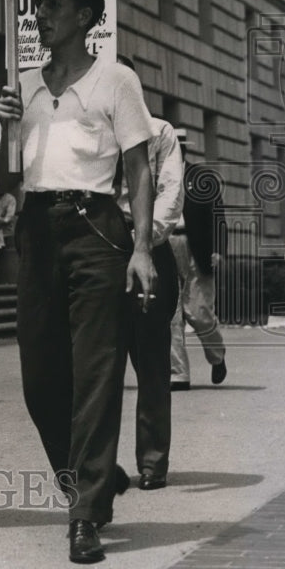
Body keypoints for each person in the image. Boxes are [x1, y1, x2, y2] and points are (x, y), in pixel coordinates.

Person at [0, 0, 157, 564]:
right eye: (39, 3)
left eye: (54, 4)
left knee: (95, 373)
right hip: (35, 232)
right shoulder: (25, 87)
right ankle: (90, 477)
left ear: (85, 17)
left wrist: (141, 248)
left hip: (95, 230)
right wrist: (6, 124)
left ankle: (85, 513)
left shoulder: (116, 81)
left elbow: (140, 169)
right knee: (41, 379)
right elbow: (4, 180)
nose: (41, 13)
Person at [115, 57, 184, 491]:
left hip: (148, 248)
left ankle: (153, 462)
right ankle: (97, 463)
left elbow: (171, 193)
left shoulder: (159, 133)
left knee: (152, 363)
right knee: (96, 365)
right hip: (98, 251)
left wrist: (142, 240)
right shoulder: (87, 131)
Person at [169, 128, 227, 390]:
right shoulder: (156, 179)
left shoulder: (201, 177)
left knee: (198, 311)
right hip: (165, 245)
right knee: (171, 313)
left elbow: (218, 217)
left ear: (183, 149)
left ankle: (217, 355)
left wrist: (218, 250)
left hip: (197, 249)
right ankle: (178, 374)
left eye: (176, 147)